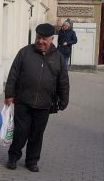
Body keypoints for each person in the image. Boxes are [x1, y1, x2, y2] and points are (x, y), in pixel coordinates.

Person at [4, 23, 70, 172]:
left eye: (44, 39)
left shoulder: (58, 57)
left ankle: (32, 161)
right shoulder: (25, 52)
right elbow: (13, 74)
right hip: (23, 100)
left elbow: (63, 81)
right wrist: (9, 94)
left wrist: (64, 100)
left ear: (52, 39)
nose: (41, 41)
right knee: (21, 132)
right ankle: (13, 157)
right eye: (38, 38)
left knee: (37, 134)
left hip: (44, 103)